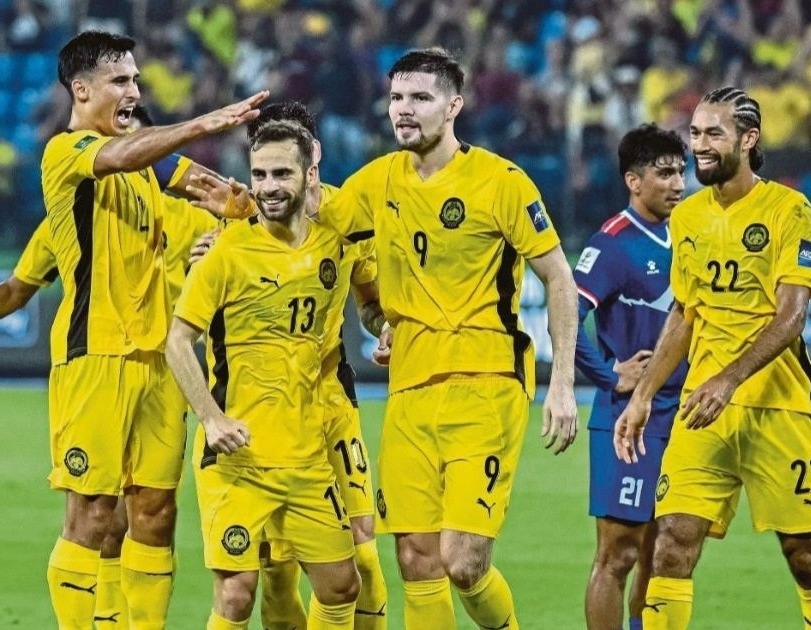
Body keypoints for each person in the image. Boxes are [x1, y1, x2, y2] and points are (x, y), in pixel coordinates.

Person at [191, 47, 580, 630]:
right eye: (397, 97)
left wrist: (563, 384)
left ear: (454, 106)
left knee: (463, 562)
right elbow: (305, 211)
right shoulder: (378, 180)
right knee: (415, 560)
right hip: (409, 391)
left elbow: (559, 278)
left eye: (420, 98)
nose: (404, 109)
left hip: (485, 384)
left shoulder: (501, 182)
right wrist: (238, 217)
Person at [0, 101, 228, 629]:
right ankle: (102, 619)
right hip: (96, 361)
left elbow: (251, 238)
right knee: (99, 515)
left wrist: (228, 234)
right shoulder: (77, 206)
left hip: (163, 370)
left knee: (154, 512)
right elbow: (18, 286)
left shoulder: (192, 218)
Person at [615, 86, 811, 630]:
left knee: (805, 556)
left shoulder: (788, 208)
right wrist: (644, 395)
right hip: (702, 410)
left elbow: (791, 316)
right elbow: (683, 314)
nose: (699, 145)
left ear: (748, 139)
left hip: (778, 406)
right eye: (695, 133)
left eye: (713, 133)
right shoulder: (687, 216)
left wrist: (730, 378)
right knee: (671, 545)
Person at [166, 120, 361, 630]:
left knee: (342, 585)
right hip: (238, 459)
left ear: (309, 174)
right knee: (236, 595)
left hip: (305, 453)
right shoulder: (225, 252)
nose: (268, 187)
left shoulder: (333, 244)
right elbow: (177, 341)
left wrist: (384, 325)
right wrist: (211, 418)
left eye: (281, 174)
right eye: (259, 175)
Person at [232, 101, 390, 630]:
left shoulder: (349, 215)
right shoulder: (238, 221)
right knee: (276, 569)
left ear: (313, 152)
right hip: (263, 412)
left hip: (331, 399)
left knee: (362, 552)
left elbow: (371, 301)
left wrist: (385, 325)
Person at [577, 124, 688, 630]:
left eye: (681, 172)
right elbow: (567, 315)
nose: (678, 184)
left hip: (683, 416)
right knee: (618, 552)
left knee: (664, 551)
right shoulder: (613, 243)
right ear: (633, 180)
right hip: (629, 421)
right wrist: (608, 376)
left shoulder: (687, 234)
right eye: (664, 174)